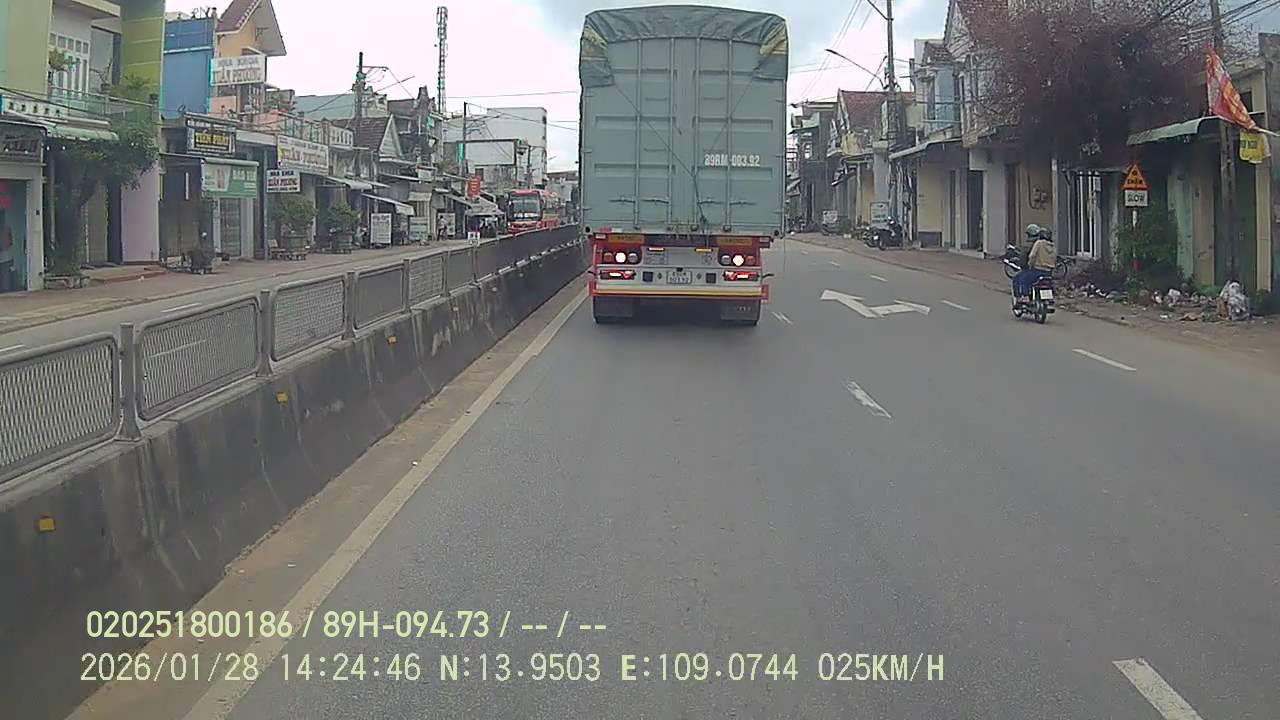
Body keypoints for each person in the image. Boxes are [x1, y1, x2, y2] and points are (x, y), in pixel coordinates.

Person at [1013, 225, 1056, 302]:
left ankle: (1025, 296)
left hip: (1037, 270)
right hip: (1049, 272)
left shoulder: (1038, 243)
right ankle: (1050, 297)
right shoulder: (1052, 246)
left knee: (1023, 279)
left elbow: (1032, 255)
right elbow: (1055, 258)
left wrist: (1030, 264)